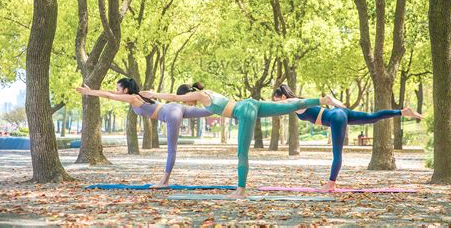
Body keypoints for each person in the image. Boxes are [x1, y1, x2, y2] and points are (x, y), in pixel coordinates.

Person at [140, 82, 345, 198]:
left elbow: (175, 98)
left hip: (245, 110)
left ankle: (241, 190)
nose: (189, 102)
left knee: (242, 152)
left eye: (188, 99)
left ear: (190, 93)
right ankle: (324, 100)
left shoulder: (201, 95)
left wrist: (154, 94)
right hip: (250, 104)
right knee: (290, 105)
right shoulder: (208, 93)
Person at [273, 84, 423, 191]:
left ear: (284, 96)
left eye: (276, 101)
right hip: (339, 113)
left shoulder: (292, 102)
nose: (276, 105)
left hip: (335, 117)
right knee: (371, 117)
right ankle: (402, 112)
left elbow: (284, 105)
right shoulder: (296, 103)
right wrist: (335, 104)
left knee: (337, 154)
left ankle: (331, 184)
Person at [76, 78, 213, 187]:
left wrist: (89, 92)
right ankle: (226, 105)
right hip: (175, 108)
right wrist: (93, 90)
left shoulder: (132, 98)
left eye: (118, 89)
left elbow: (108, 96)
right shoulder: (137, 95)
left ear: (125, 90)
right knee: (210, 110)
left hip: (171, 114)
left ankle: (164, 181)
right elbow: (109, 92)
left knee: (172, 150)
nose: (115, 91)